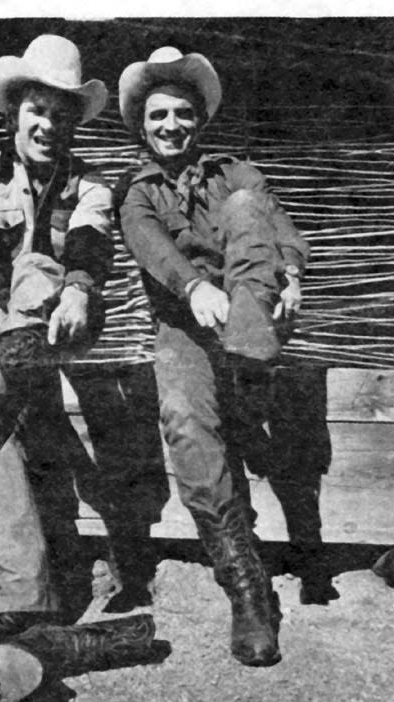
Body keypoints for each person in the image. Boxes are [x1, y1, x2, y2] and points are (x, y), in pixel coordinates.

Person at [0, 35, 166, 644]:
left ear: (74, 122)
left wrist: (78, 289)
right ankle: (25, 597)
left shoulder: (90, 186)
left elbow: (93, 246)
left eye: (61, 114)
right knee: (1, 406)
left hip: (69, 321)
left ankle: (38, 590)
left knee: (40, 271)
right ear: (14, 113)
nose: (48, 125)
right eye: (37, 110)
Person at [116, 46, 312, 668]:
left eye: (181, 114)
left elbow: (278, 226)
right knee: (183, 418)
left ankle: (251, 358)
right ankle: (247, 588)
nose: (170, 126)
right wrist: (192, 286)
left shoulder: (237, 172)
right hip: (183, 326)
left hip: (247, 312)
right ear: (141, 127)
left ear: (199, 120)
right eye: (157, 117)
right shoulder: (136, 191)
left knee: (246, 209)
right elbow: (150, 248)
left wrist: (293, 275)